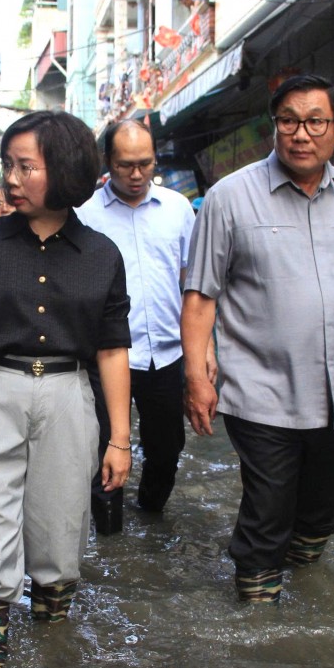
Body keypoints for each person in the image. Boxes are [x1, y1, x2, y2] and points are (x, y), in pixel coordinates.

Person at [0, 110, 132, 668]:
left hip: (69, 394)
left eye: (25, 167)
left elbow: (113, 350)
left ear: (63, 171)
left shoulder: (102, 256)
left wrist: (119, 439)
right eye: (7, 166)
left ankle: (50, 665)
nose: (11, 179)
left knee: (59, 535)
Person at [182, 74, 334, 603]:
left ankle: (303, 573)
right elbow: (199, 298)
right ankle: (259, 620)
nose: (302, 134)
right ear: (274, 127)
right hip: (260, 389)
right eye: (289, 121)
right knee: (268, 507)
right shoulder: (229, 198)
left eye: (315, 121)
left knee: (321, 511)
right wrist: (196, 376)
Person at [77, 119, 208, 535]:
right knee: (103, 449)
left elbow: (194, 285)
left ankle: (151, 515)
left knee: (167, 449)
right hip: (104, 355)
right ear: (106, 163)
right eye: (125, 165)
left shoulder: (178, 209)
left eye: (145, 164)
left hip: (166, 354)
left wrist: (204, 354)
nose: (136, 175)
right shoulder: (83, 215)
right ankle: (111, 537)